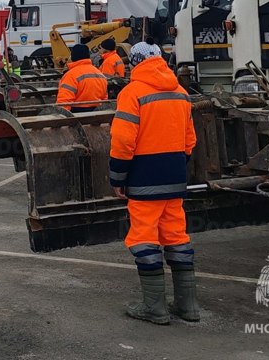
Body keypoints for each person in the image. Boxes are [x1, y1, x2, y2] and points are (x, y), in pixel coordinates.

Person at [109, 41, 198, 325]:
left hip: (144, 178)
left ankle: (154, 308)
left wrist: (118, 177)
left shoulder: (132, 93)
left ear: (135, 63)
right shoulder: (182, 93)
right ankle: (188, 306)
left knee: (143, 237)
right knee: (176, 235)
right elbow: (190, 141)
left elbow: (123, 141)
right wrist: (175, 167)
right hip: (174, 178)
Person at [57, 44, 108, 112]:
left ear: (72, 57)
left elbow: (64, 102)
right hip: (96, 113)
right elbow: (104, 98)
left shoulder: (71, 75)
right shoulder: (99, 73)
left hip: (76, 113)